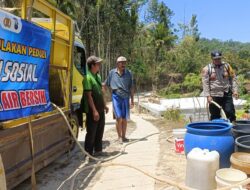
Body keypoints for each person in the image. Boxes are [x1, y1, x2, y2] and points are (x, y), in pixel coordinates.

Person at [82, 55, 109, 156]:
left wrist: (104, 105)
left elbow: (100, 93)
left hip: (100, 108)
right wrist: (94, 111)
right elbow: (89, 96)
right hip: (92, 110)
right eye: (98, 64)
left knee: (100, 130)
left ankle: (98, 150)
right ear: (92, 65)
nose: (99, 66)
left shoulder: (97, 76)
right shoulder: (87, 77)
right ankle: (88, 153)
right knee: (92, 132)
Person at [202, 50, 239, 123]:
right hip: (214, 95)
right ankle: (216, 130)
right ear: (212, 59)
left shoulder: (227, 66)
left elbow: (233, 78)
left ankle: (233, 128)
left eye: (219, 58)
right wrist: (208, 96)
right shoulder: (207, 69)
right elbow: (205, 83)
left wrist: (235, 90)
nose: (217, 60)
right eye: (215, 59)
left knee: (230, 112)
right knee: (215, 115)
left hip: (226, 92)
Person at [105, 56, 134, 143]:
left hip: (126, 97)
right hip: (116, 97)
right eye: (121, 62)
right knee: (119, 117)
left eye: (124, 62)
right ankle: (119, 137)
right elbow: (106, 84)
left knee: (124, 118)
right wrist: (104, 98)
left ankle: (124, 137)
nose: (123, 64)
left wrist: (132, 100)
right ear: (117, 64)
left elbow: (131, 87)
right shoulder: (112, 73)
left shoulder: (129, 73)